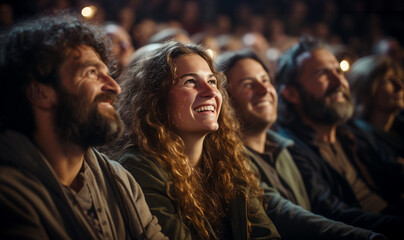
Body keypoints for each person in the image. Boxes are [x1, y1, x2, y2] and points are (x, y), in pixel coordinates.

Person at [0, 12, 166, 240]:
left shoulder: (119, 178)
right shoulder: (9, 194)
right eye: (91, 73)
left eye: (108, 74)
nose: (114, 87)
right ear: (40, 92)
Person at [114, 42, 280, 239]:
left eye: (211, 81)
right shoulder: (139, 168)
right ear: (156, 101)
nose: (210, 92)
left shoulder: (226, 158)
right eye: (190, 82)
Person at [215, 49, 386, 240]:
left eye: (265, 80)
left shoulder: (284, 148)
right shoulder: (228, 160)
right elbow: (285, 215)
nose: (264, 90)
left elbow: (320, 208)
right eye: (248, 84)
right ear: (225, 100)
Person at [274, 36, 404, 239]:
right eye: (322, 73)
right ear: (292, 94)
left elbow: (391, 169)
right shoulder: (291, 147)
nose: (338, 82)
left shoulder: (350, 129)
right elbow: (333, 213)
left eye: (338, 71)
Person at [348, 55, 404, 163]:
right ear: (365, 89)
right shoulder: (357, 140)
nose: (400, 87)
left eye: (401, 80)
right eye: (388, 81)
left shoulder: (400, 129)